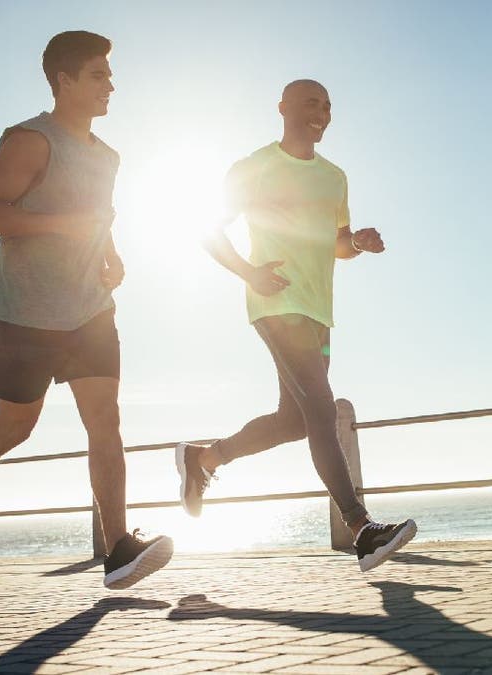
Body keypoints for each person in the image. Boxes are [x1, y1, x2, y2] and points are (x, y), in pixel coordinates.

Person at [0, 31, 172, 590]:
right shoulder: (31, 141)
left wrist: (111, 256)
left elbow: (99, 217)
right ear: (64, 81)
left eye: (110, 74)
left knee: (105, 419)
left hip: (90, 308)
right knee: (17, 426)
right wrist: (59, 226)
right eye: (98, 74)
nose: (111, 84)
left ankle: (117, 549)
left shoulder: (108, 156)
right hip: (27, 309)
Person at [175, 79, 416, 572]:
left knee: (294, 420)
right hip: (276, 304)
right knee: (322, 411)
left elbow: (337, 243)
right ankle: (361, 529)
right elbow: (207, 229)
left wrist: (360, 243)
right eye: (311, 103)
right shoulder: (254, 167)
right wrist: (248, 272)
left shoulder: (334, 176)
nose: (322, 113)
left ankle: (204, 459)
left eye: (328, 106)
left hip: (318, 311)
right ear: (282, 108)